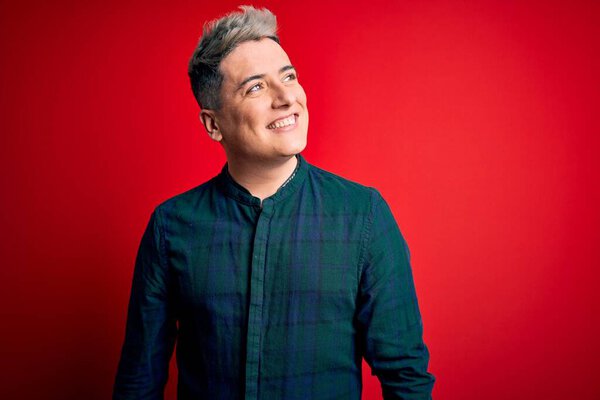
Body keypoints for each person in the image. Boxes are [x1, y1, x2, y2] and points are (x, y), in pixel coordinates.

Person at [113, 5, 434, 400]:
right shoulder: (171, 226)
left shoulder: (362, 215)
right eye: (256, 87)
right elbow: (138, 382)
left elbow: (406, 378)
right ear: (214, 124)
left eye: (289, 77)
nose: (286, 98)